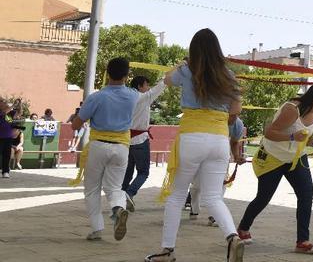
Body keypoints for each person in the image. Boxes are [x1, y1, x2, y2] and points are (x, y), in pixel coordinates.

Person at [145, 28, 245, 262]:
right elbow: (236, 110)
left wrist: (183, 64)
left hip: (191, 137)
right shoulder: (228, 75)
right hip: (219, 139)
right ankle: (232, 238)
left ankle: (166, 251)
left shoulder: (187, 70)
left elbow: (167, 80)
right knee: (213, 197)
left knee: (177, 195)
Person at [237, 83, 313, 255]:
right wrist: (291, 136)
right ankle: (243, 228)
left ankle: (302, 241)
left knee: (306, 194)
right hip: (273, 158)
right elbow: (269, 133)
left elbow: (306, 138)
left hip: (296, 158)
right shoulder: (292, 109)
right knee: (263, 197)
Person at [70, 57, 138, 241]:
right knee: (115, 187)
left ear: (107, 73)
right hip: (122, 147)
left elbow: (75, 125)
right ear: (126, 75)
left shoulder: (97, 97)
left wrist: (79, 115)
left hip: (98, 145)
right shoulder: (133, 95)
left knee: (92, 189)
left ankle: (97, 228)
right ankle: (118, 208)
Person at [190, 114, 247, 226]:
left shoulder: (238, 124)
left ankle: (214, 215)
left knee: (220, 185)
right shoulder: (206, 116)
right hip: (200, 152)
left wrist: (236, 156)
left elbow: (234, 142)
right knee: (196, 186)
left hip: (221, 154)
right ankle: (194, 208)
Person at [121, 75, 167, 211]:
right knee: (143, 172)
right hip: (140, 140)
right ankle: (129, 193)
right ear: (140, 86)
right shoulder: (144, 97)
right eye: (147, 85)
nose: (148, 88)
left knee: (128, 171)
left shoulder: (126, 98)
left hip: (125, 139)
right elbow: (162, 84)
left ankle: (121, 198)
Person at [1, 100, 16, 178]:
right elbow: (5, 111)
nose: (5, 104)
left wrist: (19, 104)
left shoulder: (8, 116)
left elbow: (19, 112)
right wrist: (13, 105)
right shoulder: (2, 113)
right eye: (3, 103)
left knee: (7, 155)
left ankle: (5, 171)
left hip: (8, 138)